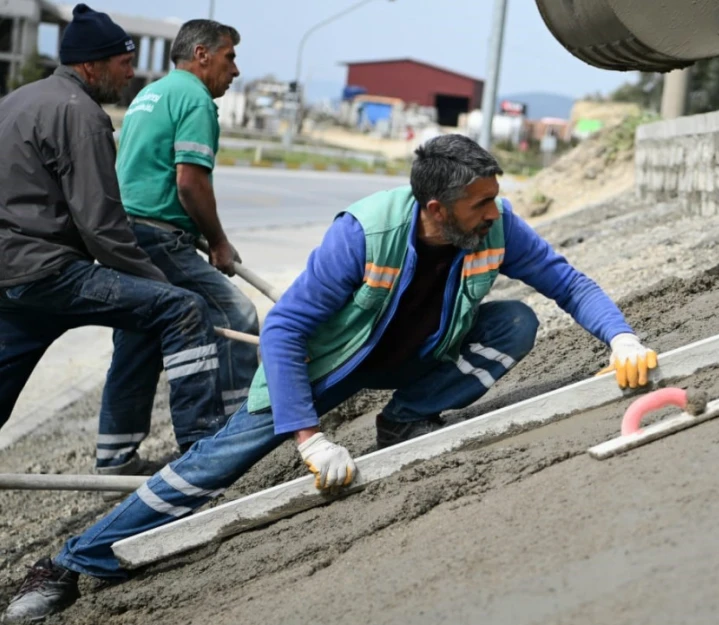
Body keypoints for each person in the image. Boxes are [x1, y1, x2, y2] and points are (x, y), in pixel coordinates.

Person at [2, 134, 659, 622]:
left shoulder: (496, 224)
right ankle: (69, 563)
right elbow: (284, 329)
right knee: (212, 464)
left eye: (494, 199)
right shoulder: (364, 232)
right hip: (325, 366)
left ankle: (407, 416)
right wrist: (311, 437)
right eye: (481, 202)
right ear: (436, 207)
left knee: (514, 320)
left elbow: (567, 280)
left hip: (415, 353)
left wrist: (620, 335)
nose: (496, 212)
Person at [0, 5, 227, 466]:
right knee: (182, 308)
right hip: (51, 273)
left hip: (10, 275)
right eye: (124, 64)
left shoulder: (16, 101)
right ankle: (205, 456)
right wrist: (157, 281)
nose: (130, 74)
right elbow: (103, 226)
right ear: (92, 65)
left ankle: (117, 455)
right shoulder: (80, 114)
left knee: (144, 318)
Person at [97, 18, 253, 477]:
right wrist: (220, 243)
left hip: (125, 234)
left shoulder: (152, 93)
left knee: (139, 338)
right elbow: (190, 183)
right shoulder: (195, 98)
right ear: (202, 54)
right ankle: (235, 436)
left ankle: (114, 458)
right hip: (156, 236)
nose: (236, 70)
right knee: (234, 315)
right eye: (230, 57)